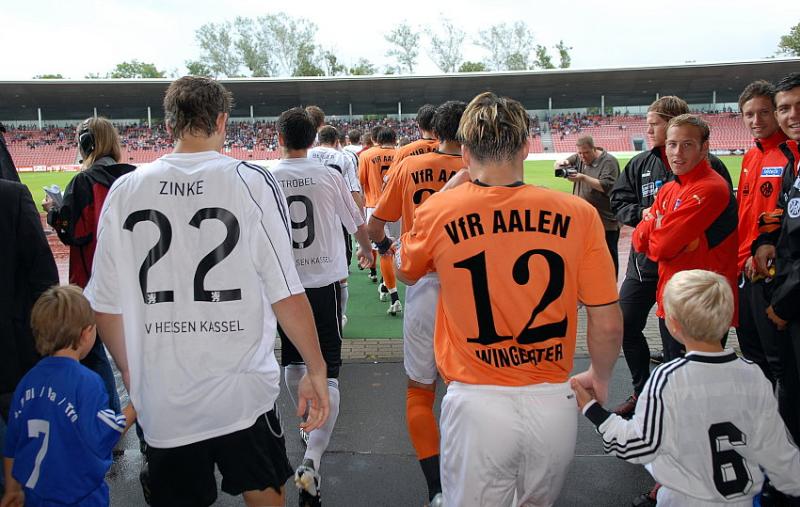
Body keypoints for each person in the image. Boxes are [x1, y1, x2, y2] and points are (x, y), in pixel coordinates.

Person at [84, 76, 330, 507]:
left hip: (165, 400)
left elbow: (104, 306)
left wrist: (133, 375)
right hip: (241, 393)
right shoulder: (251, 181)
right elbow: (286, 292)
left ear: (168, 126)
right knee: (265, 493)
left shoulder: (125, 191)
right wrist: (316, 368)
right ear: (222, 121)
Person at [397, 91, 622, 506]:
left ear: (466, 153)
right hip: (553, 399)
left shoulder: (440, 211)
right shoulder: (578, 213)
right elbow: (607, 320)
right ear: (525, 148)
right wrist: (601, 376)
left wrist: (444, 194)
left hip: (477, 402)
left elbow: (405, 270)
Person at [572, 269, 800, 506]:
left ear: (673, 324)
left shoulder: (668, 379)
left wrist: (592, 410)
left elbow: (638, 445)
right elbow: (778, 451)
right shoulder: (753, 375)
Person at [270, 108, 373, 506]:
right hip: (323, 283)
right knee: (327, 370)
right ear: (312, 139)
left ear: (280, 138)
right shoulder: (329, 175)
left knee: (293, 359)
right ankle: (312, 459)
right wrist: (366, 250)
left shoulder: (266, 177)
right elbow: (356, 222)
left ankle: (304, 419)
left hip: (284, 286)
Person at [609, 96, 732, 421]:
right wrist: (647, 217)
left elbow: (676, 239)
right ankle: (644, 392)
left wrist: (661, 229)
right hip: (645, 269)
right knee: (626, 326)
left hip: (690, 280)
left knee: (691, 358)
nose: (648, 130)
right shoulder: (642, 164)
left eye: (655, 124)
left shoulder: (711, 174)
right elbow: (622, 206)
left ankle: (693, 415)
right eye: (674, 145)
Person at [368, 100, 466, 505]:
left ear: (434, 130)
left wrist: (388, 248)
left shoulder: (409, 165)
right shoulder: (482, 167)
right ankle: (468, 479)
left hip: (423, 283)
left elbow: (375, 225)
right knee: (469, 389)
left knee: (420, 390)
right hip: (471, 287)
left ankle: (436, 489)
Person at [2, 285, 136, 507]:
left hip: (36, 497)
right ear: (86, 333)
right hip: (80, 497)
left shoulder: (27, 382)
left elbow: (12, 445)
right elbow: (104, 433)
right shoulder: (87, 382)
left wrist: (12, 490)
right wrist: (135, 406)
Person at [43, 117, 136, 415]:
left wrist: (54, 213)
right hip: (136, 281)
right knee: (137, 357)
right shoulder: (136, 177)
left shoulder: (83, 182)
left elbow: (75, 233)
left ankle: (106, 420)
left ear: (87, 144)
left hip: (93, 284)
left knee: (94, 355)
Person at [753, 72, 800, 448]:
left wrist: (784, 305)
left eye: (799, 106)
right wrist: (766, 241)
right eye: (784, 108)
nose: (791, 115)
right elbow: (784, 218)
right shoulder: (793, 165)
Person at [309, 125, 364, 327]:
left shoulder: (307, 155)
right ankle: (339, 316)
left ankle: (314, 318)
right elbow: (353, 191)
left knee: (311, 268)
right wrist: (361, 222)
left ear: (318, 140)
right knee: (340, 273)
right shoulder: (344, 158)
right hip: (337, 219)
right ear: (336, 141)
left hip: (311, 219)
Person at [554, 135, 621, 276]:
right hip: (582, 220)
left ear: (594, 149)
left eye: (586, 153)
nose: (582, 156)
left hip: (605, 220)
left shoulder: (609, 162)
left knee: (608, 255)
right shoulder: (579, 157)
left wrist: (583, 178)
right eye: (579, 153)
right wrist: (562, 163)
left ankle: (611, 284)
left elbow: (606, 186)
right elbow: (557, 168)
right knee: (586, 255)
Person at [359, 127, 401, 313]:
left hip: (375, 207)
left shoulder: (367, 155)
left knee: (385, 251)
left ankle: (394, 296)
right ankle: (385, 284)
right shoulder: (402, 154)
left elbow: (361, 183)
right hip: (397, 207)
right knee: (397, 247)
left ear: (377, 139)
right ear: (395, 139)